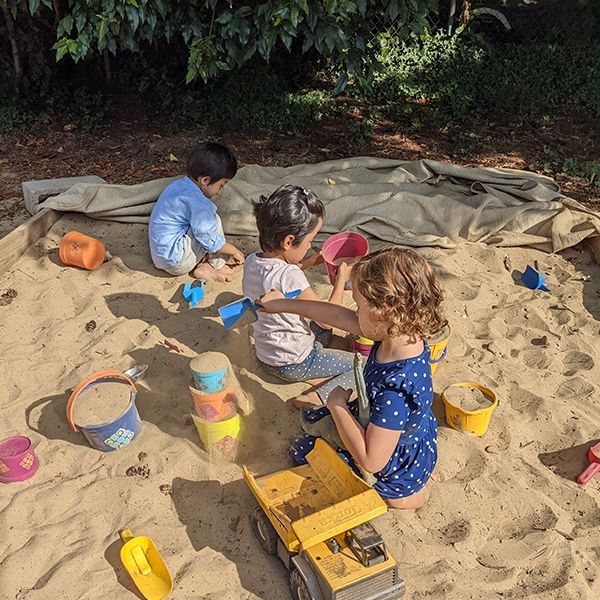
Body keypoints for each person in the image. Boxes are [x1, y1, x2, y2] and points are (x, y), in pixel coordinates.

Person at [259, 247, 446, 509]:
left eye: (358, 306)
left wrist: (337, 405)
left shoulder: (395, 391)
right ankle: (417, 475)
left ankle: (405, 495)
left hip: (389, 461)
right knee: (315, 419)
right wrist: (282, 305)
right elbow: (336, 316)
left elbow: (371, 460)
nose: (353, 312)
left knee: (302, 450)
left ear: (385, 312)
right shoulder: (402, 332)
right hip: (413, 436)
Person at [242, 184, 355, 408]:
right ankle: (315, 397)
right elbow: (328, 316)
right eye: (310, 240)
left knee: (323, 331)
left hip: (267, 354)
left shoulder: (252, 260)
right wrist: (341, 277)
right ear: (289, 242)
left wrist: (307, 263)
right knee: (359, 367)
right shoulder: (290, 274)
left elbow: (278, 281)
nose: (311, 245)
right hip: (293, 362)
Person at [149, 141, 244, 281]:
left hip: (160, 256)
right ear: (205, 180)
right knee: (212, 220)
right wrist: (234, 251)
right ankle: (214, 265)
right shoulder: (198, 203)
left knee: (198, 224)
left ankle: (204, 263)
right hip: (177, 262)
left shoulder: (177, 185)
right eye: (222, 184)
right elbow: (210, 240)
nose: (221, 190)